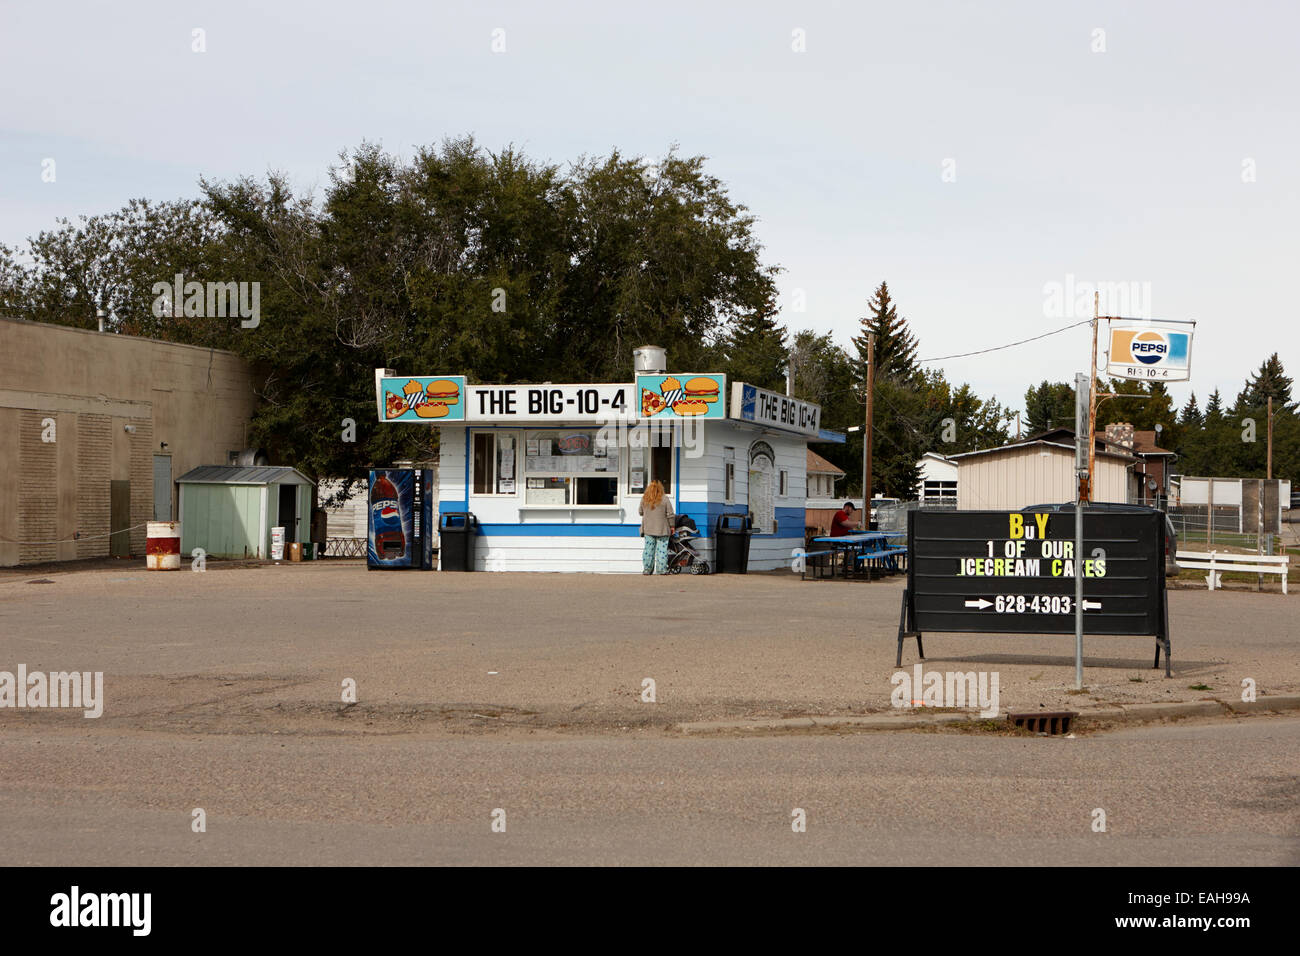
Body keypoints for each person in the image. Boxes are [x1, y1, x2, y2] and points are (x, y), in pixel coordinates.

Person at [638, 480, 675, 574]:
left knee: (648, 550)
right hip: (662, 529)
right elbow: (670, 514)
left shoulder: (644, 499)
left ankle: (647, 569)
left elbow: (640, 512)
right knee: (662, 550)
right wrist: (672, 526)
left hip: (648, 529)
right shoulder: (665, 498)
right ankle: (661, 570)